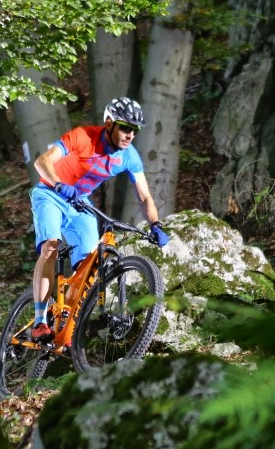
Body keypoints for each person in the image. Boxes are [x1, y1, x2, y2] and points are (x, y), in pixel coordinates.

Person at [28, 97, 170, 341]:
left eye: (135, 130)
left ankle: (66, 320)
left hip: (79, 202)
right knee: (51, 246)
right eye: (125, 127)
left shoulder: (129, 157)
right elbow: (42, 162)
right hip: (50, 193)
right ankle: (40, 320)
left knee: (89, 266)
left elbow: (145, 196)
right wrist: (59, 184)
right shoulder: (82, 136)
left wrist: (155, 224)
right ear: (109, 123)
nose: (130, 135)